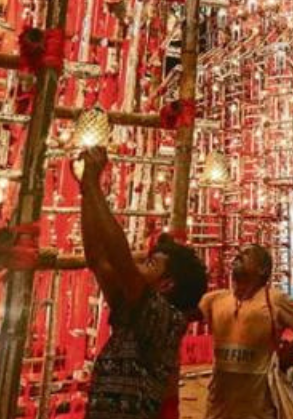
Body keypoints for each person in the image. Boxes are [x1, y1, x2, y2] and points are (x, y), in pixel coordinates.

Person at [78, 147, 208, 419]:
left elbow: (119, 259)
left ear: (166, 285)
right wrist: (86, 191)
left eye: (150, 264)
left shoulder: (164, 319)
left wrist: (93, 183)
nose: (138, 266)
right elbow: (97, 259)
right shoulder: (133, 309)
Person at [200, 244, 293, 419]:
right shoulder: (214, 299)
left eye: (246, 254)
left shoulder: (275, 299)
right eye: (239, 253)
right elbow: (176, 317)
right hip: (220, 403)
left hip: (260, 405)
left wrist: (292, 350)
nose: (239, 256)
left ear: (262, 270)